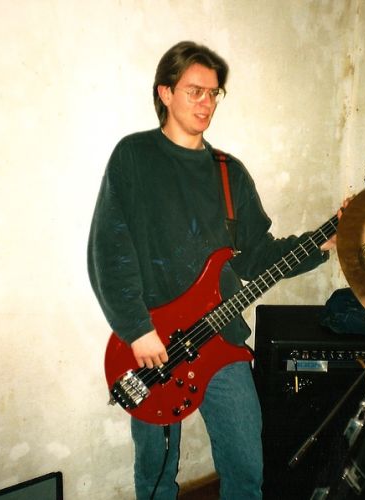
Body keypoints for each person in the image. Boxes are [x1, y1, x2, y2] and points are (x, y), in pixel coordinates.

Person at [88, 40, 341, 500]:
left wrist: (326, 238)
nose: (206, 103)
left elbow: (257, 256)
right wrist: (136, 329)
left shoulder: (229, 173)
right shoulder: (134, 156)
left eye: (213, 93)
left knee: (246, 464)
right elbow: (109, 250)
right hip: (153, 343)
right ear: (165, 93)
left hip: (221, 338)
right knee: (155, 472)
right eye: (194, 91)